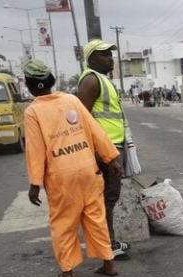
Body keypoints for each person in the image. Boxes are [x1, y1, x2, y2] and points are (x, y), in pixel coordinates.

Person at [22, 59, 122, 277]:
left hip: (61, 176)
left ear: (29, 85)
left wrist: (34, 184)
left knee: (64, 223)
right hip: (88, 170)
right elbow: (95, 130)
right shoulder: (71, 100)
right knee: (96, 218)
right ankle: (108, 263)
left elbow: (35, 150)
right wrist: (112, 158)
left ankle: (67, 271)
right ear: (50, 81)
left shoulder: (33, 111)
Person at [76, 39, 130, 260]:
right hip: (104, 151)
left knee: (109, 197)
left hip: (112, 148)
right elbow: (82, 120)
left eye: (110, 54)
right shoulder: (91, 81)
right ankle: (108, 244)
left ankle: (109, 241)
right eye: (104, 55)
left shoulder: (102, 80)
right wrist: (100, 152)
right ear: (91, 59)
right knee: (106, 199)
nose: (110, 58)